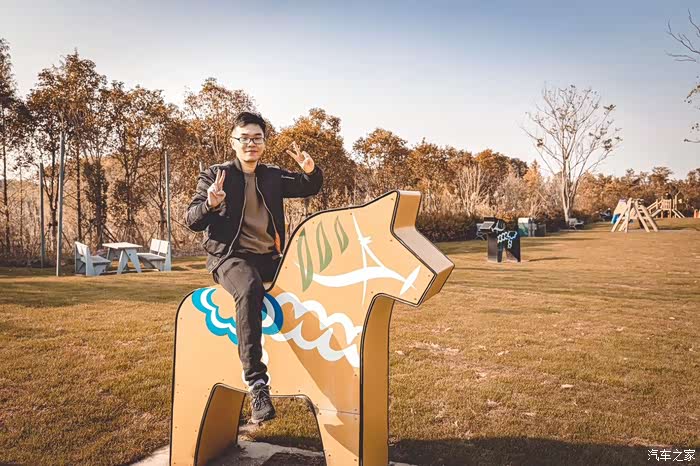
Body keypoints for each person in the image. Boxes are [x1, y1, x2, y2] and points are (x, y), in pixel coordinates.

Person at [184, 110, 323, 423]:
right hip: (229, 257)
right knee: (249, 288)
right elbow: (191, 219)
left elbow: (307, 186)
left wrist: (311, 171)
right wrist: (211, 204)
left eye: (257, 138)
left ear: (264, 143)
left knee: (311, 284)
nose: (251, 143)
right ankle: (257, 384)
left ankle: (313, 374)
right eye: (244, 138)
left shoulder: (271, 175)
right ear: (233, 142)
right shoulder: (215, 175)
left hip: (269, 258)